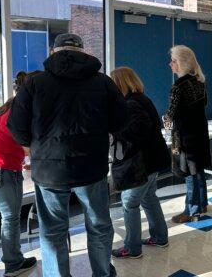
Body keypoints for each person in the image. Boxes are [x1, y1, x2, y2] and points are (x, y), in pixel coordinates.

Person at [7, 33, 128, 277]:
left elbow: (16, 128)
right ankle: (103, 273)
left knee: (53, 232)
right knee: (99, 226)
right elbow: (121, 120)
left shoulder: (34, 84)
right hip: (91, 167)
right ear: (83, 52)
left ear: (54, 52)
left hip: (49, 170)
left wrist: (36, 145)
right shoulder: (102, 82)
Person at [110, 67, 171, 259]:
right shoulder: (142, 99)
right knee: (149, 198)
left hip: (143, 164)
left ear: (120, 84)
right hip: (153, 161)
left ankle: (132, 248)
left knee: (129, 203)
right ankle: (160, 237)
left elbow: (138, 131)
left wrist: (115, 130)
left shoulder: (130, 104)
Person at [0, 75, 38, 277]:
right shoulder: (22, 112)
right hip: (4, 169)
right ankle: (14, 263)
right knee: (11, 218)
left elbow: (9, 140)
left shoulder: (7, 106)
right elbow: (26, 145)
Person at [167, 46, 211, 224]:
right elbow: (204, 104)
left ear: (181, 63)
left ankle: (191, 210)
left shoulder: (178, 86)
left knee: (189, 173)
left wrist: (164, 122)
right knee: (198, 169)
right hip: (200, 131)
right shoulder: (199, 81)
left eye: (173, 61)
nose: (170, 64)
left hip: (185, 136)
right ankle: (202, 204)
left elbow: (171, 114)